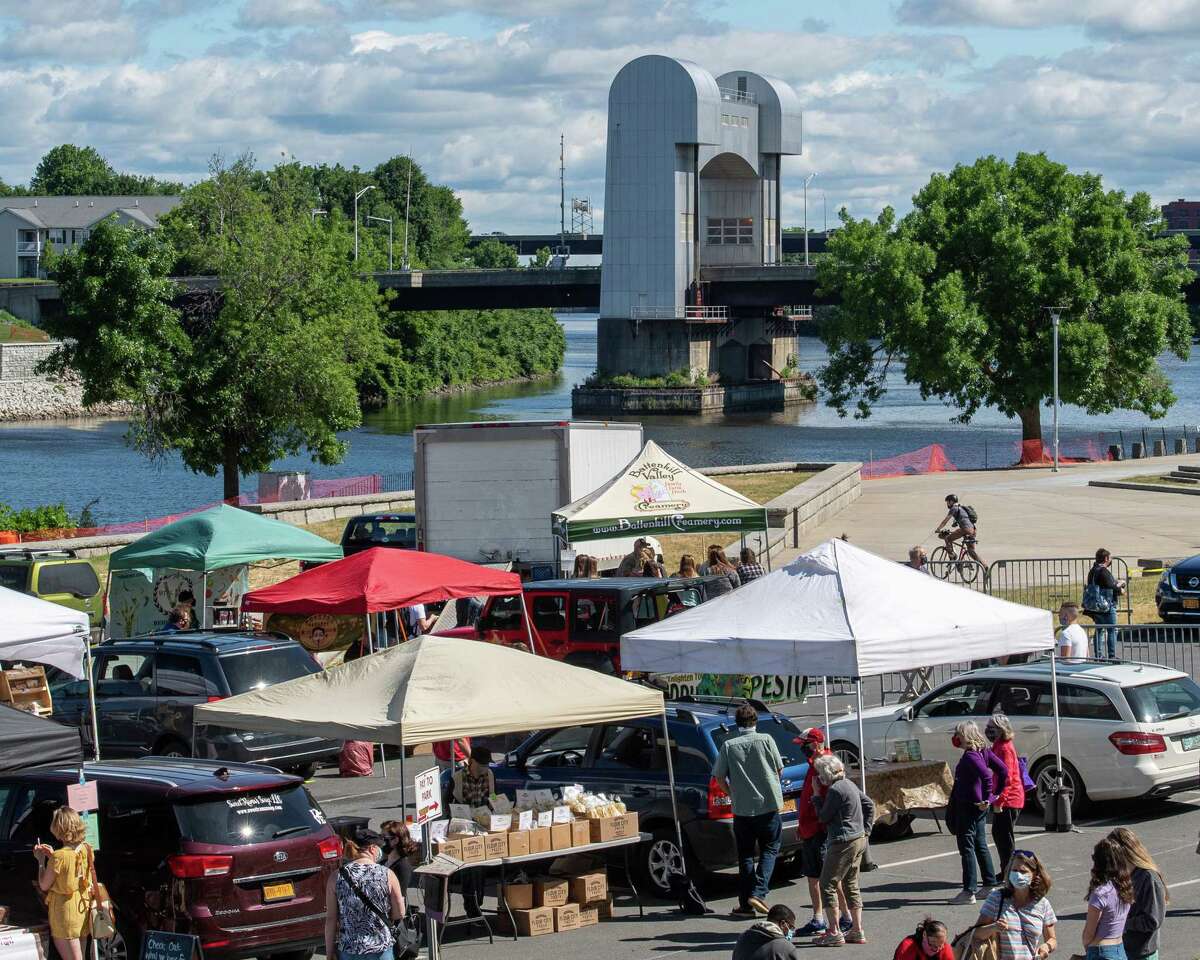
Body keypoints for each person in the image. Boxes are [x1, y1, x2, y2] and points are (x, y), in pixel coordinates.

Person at [712, 703, 784, 918]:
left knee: (745, 856)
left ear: (737, 723)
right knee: (770, 849)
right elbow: (779, 770)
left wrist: (733, 793)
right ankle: (759, 892)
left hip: (743, 809)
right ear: (756, 721)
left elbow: (718, 777)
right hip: (768, 805)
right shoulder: (767, 740)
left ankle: (746, 904)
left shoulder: (728, 745)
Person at [792, 728, 851, 938]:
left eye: (804, 745)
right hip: (810, 830)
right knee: (813, 877)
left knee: (831, 880)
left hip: (821, 832)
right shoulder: (813, 764)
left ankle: (845, 918)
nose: (802, 748)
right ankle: (818, 918)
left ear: (816, 744)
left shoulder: (826, 765)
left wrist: (819, 824)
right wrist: (802, 826)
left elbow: (828, 801)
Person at [810, 754, 873, 946]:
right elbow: (869, 804)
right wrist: (866, 830)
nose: (819, 777)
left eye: (820, 773)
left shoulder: (835, 790)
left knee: (827, 884)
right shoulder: (849, 784)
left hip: (842, 841)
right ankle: (857, 930)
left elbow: (823, 817)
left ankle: (834, 931)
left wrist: (815, 796)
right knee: (851, 884)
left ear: (826, 774)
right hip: (858, 839)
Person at [324, 827, 405, 960]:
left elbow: (331, 919)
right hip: (381, 948)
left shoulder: (336, 877)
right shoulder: (388, 875)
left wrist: (329, 953)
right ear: (372, 848)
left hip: (349, 949)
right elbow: (399, 913)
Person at [948, 720, 1006, 905]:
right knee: (980, 843)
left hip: (969, 806)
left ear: (964, 736)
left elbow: (988, 775)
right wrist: (993, 796)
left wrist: (990, 797)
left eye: (958, 734)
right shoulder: (984, 751)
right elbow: (1003, 771)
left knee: (967, 847)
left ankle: (968, 891)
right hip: (978, 806)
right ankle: (989, 884)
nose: (955, 738)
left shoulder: (971, 756)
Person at [32, 807, 95, 960]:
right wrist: (53, 856)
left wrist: (41, 862)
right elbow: (72, 871)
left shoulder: (59, 857)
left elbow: (44, 885)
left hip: (64, 914)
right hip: (81, 908)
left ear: (59, 828)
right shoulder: (86, 848)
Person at [972, 850, 1058, 960]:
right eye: (1014, 870)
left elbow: (1052, 939)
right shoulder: (997, 898)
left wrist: (1046, 947)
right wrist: (993, 928)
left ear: (1034, 874)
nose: (1018, 875)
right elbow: (976, 934)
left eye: (1023, 872)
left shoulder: (1043, 904)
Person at [449, 746, 496, 916]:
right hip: (464, 828)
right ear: (472, 761)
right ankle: (472, 907)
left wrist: (498, 804)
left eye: (487, 764)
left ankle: (478, 903)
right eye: (482, 764)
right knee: (470, 869)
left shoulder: (489, 775)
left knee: (481, 868)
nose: (485, 767)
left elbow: (493, 796)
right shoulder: (458, 777)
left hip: (483, 826)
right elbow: (450, 803)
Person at [1107, 827, 1166, 960]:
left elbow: (1153, 920)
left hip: (1142, 953)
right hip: (1122, 948)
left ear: (1126, 852)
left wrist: (1123, 923)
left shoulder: (1149, 878)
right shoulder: (1121, 874)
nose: (1111, 860)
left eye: (1113, 854)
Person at [985, 712, 1025, 875]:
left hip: (1009, 799)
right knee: (1000, 835)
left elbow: (1006, 778)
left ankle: (1009, 871)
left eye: (991, 728)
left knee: (1004, 838)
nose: (988, 731)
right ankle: (1007, 869)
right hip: (1004, 798)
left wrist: (999, 801)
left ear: (1001, 730)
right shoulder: (998, 746)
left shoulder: (1004, 748)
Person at [1083, 837, 1134, 959]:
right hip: (1119, 949)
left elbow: (1089, 933)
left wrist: (1088, 948)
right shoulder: (1125, 888)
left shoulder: (1101, 893)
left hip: (1101, 951)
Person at [1086, 548, 1125, 659]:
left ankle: (1098, 655)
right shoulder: (1103, 571)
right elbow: (1110, 586)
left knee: (1099, 629)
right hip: (1106, 605)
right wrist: (1120, 587)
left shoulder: (1093, 571)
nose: (1111, 560)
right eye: (1110, 558)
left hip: (1095, 605)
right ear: (1106, 558)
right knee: (1112, 629)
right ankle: (1112, 656)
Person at [732, 903, 799, 960]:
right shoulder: (786, 948)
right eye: (791, 927)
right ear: (783, 924)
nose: (792, 932)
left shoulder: (742, 938)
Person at [936, 493, 986, 569]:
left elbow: (945, 520)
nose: (947, 504)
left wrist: (938, 529)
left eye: (947, 502)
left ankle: (953, 556)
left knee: (947, 539)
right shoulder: (961, 508)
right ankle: (984, 566)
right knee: (971, 551)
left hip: (965, 529)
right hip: (973, 530)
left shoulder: (954, 508)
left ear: (951, 502)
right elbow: (960, 521)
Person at [381, 820, 421, 893]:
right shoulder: (384, 862)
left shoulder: (402, 867)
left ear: (396, 840)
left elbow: (400, 897)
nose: (381, 840)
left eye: (384, 837)